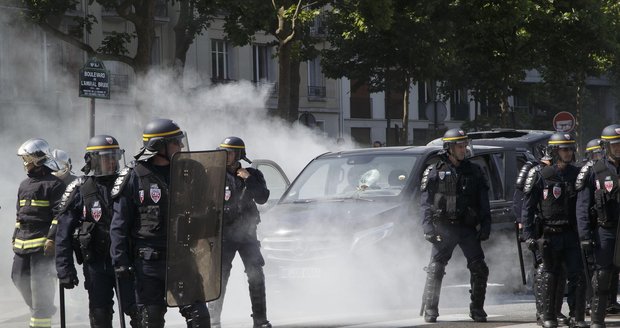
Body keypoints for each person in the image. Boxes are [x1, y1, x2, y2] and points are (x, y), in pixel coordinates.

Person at [110, 118, 211, 328]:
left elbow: (206, 209)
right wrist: (120, 262)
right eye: (175, 142)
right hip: (148, 265)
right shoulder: (133, 177)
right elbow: (119, 225)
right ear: (158, 146)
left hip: (182, 259)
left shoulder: (189, 173)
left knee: (200, 319)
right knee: (150, 321)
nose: (181, 146)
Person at [55, 135, 141, 327]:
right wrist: (65, 269)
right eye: (105, 157)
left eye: (114, 156)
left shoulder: (129, 182)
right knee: (100, 314)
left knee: (138, 312)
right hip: (96, 265)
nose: (111, 162)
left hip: (127, 263)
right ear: (91, 160)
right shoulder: (79, 188)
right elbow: (63, 233)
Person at [419, 128, 491, 323]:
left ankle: (477, 309)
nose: (463, 148)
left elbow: (483, 201)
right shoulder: (435, 171)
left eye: (464, 144)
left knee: (480, 268)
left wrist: (486, 225)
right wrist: (428, 229)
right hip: (443, 227)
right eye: (459, 145)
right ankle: (431, 309)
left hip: (467, 228)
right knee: (435, 268)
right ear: (449, 148)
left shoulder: (475, 171)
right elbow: (425, 202)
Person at [522, 132, 587, 328]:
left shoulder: (577, 175)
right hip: (549, 234)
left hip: (571, 233)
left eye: (570, 149)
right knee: (550, 275)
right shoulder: (541, 176)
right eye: (564, 149)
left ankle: (577, 316)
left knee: (577, 274)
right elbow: (529, 207)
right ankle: (547, 315)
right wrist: (529, 235)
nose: (568, 153)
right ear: (555, 151)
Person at [208, 136, 272, 328]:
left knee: (256, 273)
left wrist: (248, 178)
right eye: (224, 152)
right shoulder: (214, 175)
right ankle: (213, 320)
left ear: (239, 154)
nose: (226, 156)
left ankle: (260, 320)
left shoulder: (252, 175)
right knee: (220, 276)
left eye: (230, 152)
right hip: (224, 235)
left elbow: (262, 198)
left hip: (247, 234)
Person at [12, 138, 65, 328]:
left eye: (26, 158)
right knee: (17, 278)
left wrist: (51, 239)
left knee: (40, 293)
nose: (24, 162)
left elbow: (59, 215)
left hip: (42, 249)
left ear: (37, 159)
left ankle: (41, 314)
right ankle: (40, 308)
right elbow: (20, 215)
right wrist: (14, 237)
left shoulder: (54, 185)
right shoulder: (24, 185)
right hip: (22, 245)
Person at [576, 124, 620, 328]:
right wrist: (585, 235)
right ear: (606, 147)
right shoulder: (595, 170)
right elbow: (583, 206)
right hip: (606, 230)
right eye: (614, 145)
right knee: (602, 276)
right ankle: (597, 320)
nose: (618, 148)